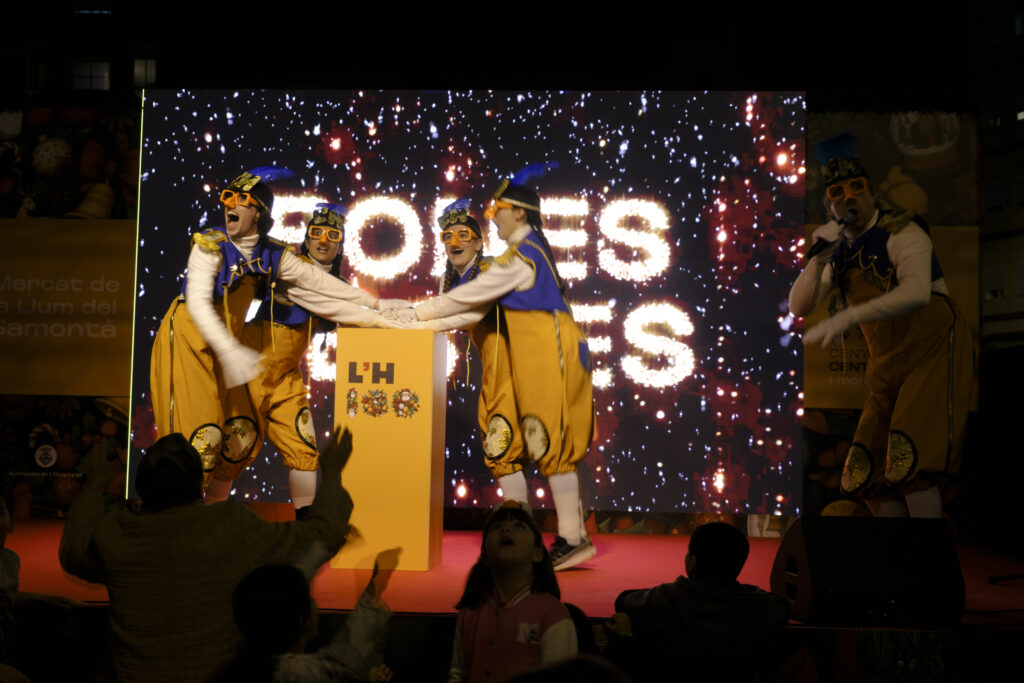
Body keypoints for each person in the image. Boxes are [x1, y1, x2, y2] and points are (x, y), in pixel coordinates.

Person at [149, 168, 397, 492]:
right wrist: (230, 350)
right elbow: (196, 302)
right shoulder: (211, 246)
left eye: (241, 199)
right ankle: (182, 514)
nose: (229, 205)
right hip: (199, 345)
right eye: (228, 197)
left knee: (298, 447)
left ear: (260, 213)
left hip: (269, 369)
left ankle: (300, 523)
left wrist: (379, 305)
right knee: (210, 440)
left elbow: (323, 285)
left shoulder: (275, 255)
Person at [403, 168, 596, 570]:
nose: (455, 241)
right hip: (499, 371)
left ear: (479, 241)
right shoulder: (458, 279)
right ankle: (527, 534)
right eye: (448, 236)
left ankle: (570, 536)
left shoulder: (500, 266)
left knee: (532, 443)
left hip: (521, 366)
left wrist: (406, 317)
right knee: (502, 449)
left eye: (465, 234)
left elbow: (465, 311)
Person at [58, 427, 357, 683]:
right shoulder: (229, 527)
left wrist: (93, 488)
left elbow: (73, 553)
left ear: (143, 484)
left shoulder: (115, 534)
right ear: (196, 483)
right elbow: (322, 536)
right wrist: (331, 475)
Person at [789, 133, 973, 518]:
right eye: (837, 193)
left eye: (857, 188)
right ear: (829, 207)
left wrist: (849, 315)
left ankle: (926, 555)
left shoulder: (902, 230)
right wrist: (818, 258)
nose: (849, 197)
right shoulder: (838, 252)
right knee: (865, 471)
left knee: (910, 459)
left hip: (930, 346)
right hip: (887, 359)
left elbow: (917, 293)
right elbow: (800, 305)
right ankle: (895, 551)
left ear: (873, 194)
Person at [210, 202, 388, 509]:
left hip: (286, 379)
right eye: (316, 232)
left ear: (341, 245)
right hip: (251, 370)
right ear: (306, 238)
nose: (323, 241)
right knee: (236, 448)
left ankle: (306, 528)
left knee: (303, 451)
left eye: (332, 235)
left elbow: (350, 316)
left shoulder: (339, 286)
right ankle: (207, 520)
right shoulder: (287, 263)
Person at [607, 521, 789, 682]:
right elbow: (783, 607)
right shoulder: (758, 605)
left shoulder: (667, 597)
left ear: (692, 561)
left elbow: (624, 600)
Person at [448, 501, 577, 683]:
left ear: (537, 553)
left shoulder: (553, 615)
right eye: (497, 526)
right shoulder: (469, 612)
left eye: (518, 526)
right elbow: (457, 674)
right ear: (484, 555)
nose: (506, 530)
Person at [215, 558, 394, 683]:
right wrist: (373, 592)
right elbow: (347, 665)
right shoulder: (296, 673)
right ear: (302, 619)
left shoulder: (247, 668)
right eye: (309, 596)